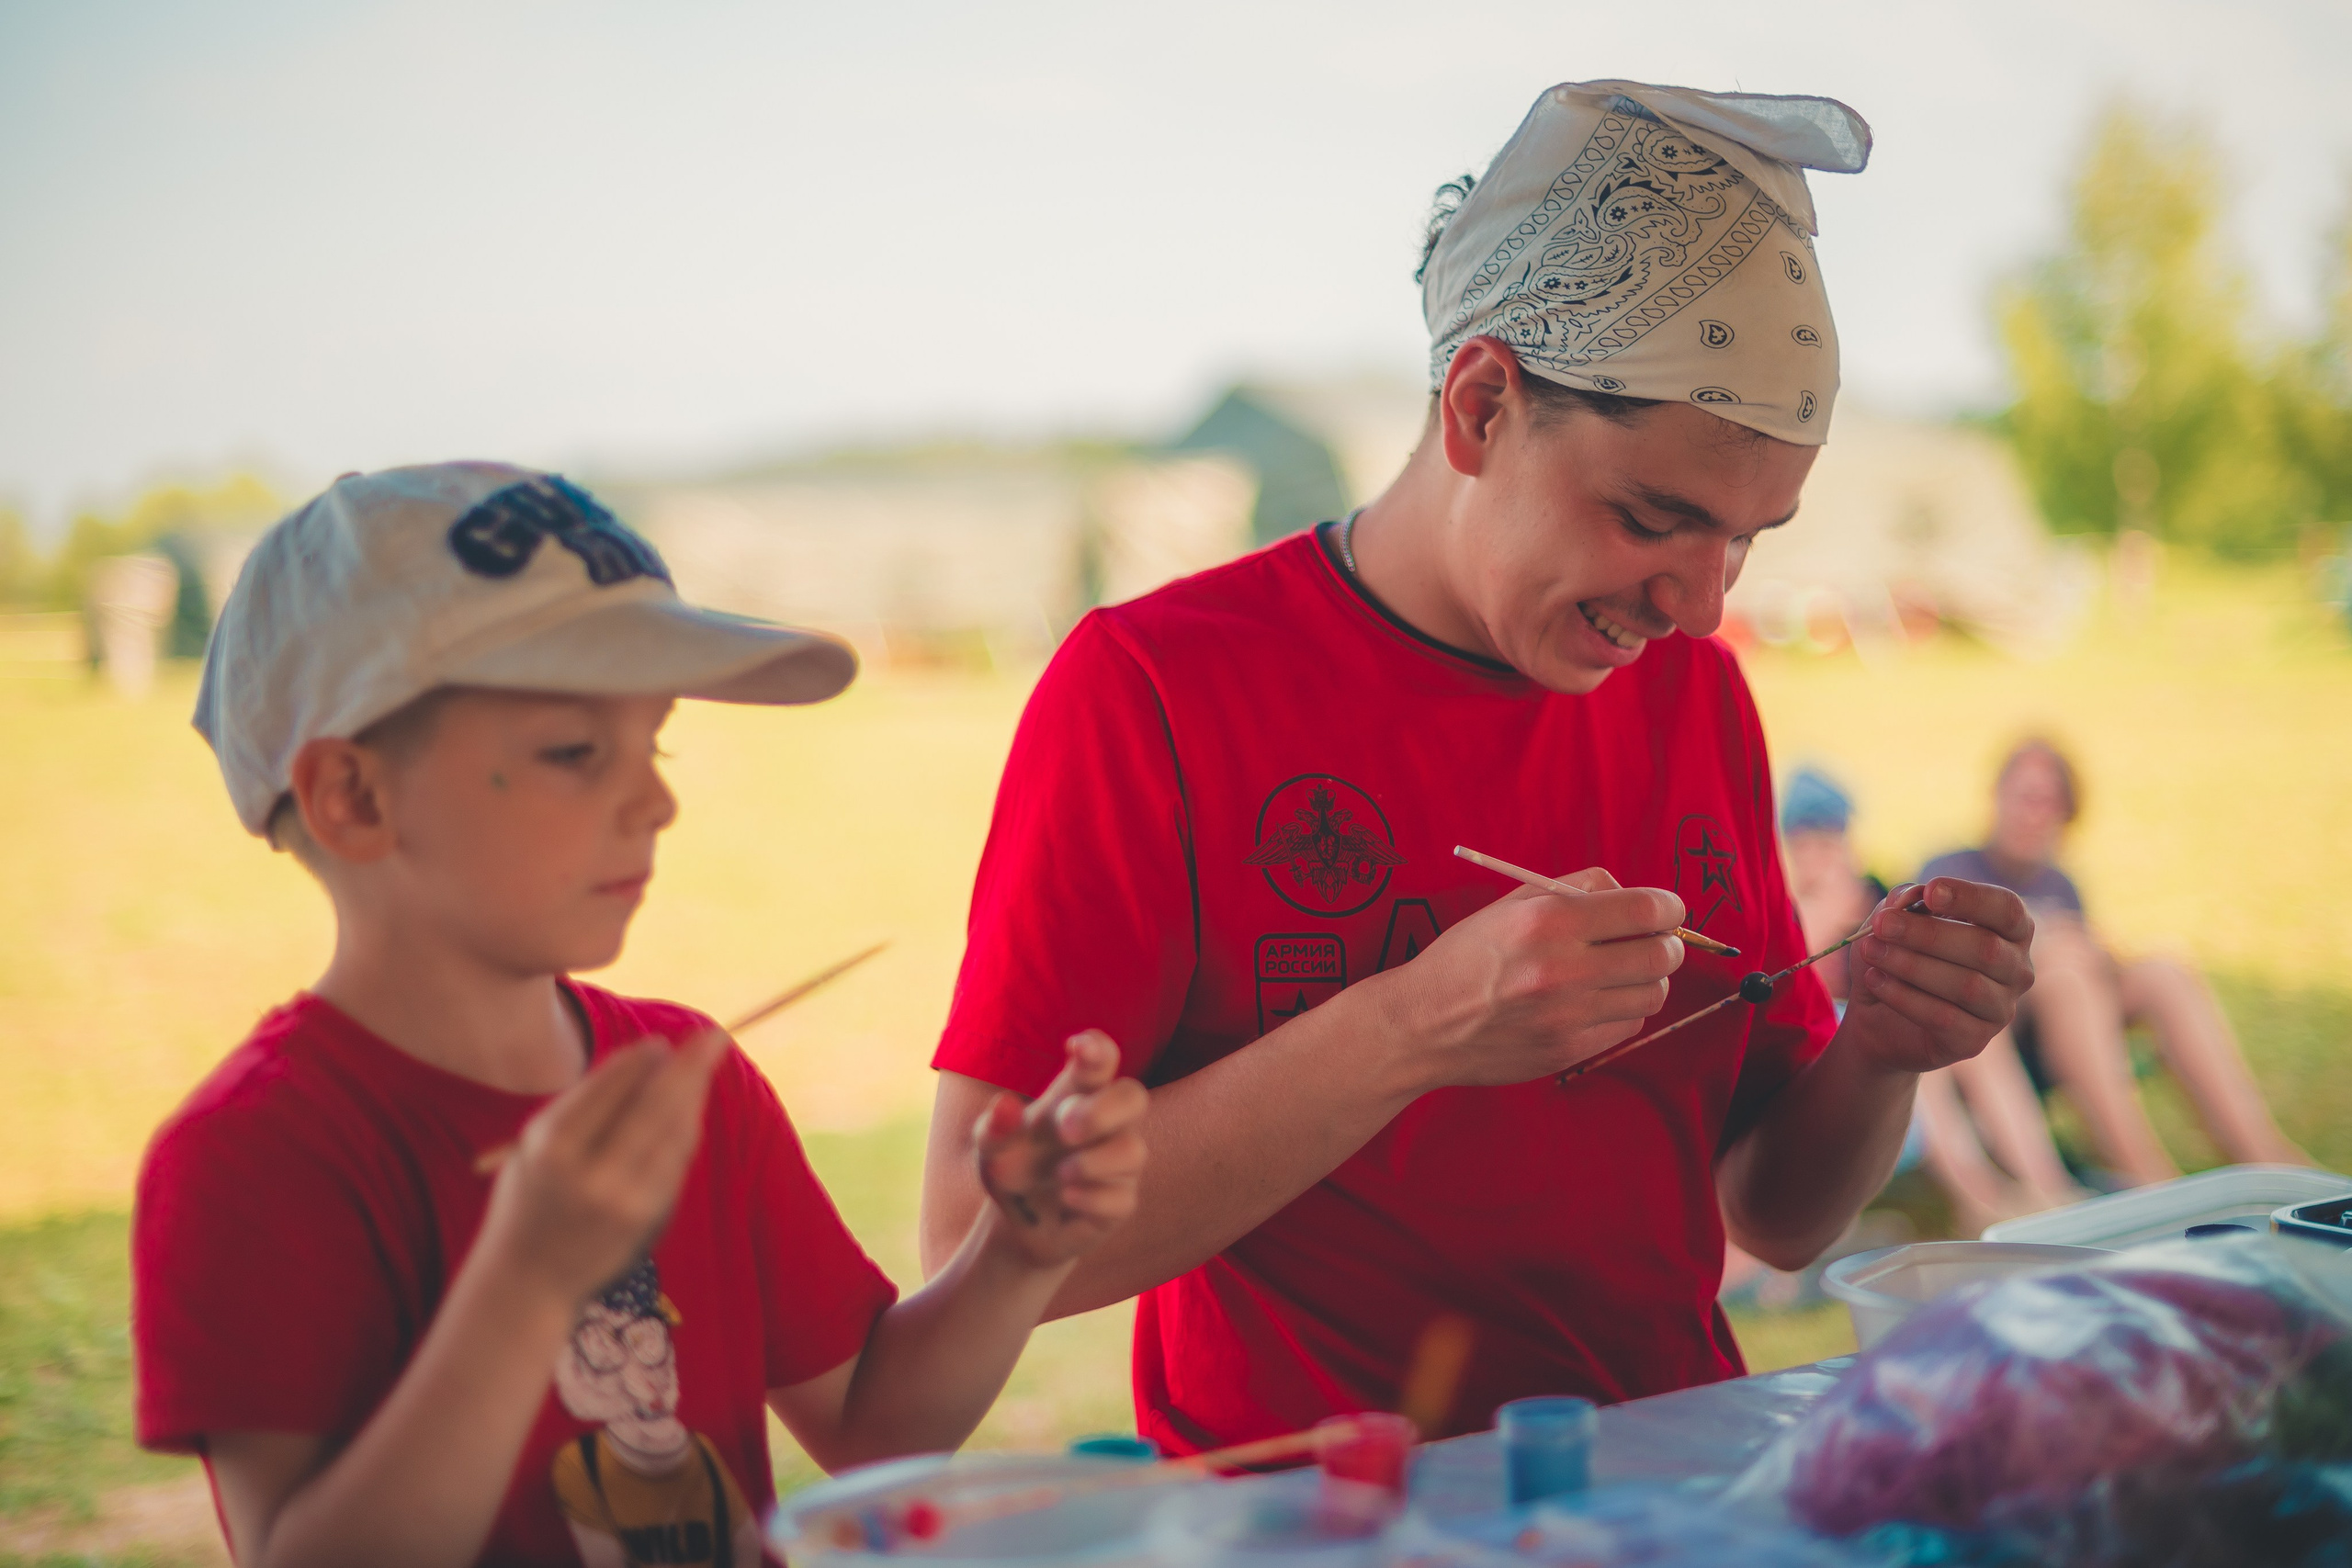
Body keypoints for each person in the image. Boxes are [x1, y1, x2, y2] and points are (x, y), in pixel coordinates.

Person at [919, 79, 2037, 1457]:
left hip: (1670, 1477)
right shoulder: (1157, 688)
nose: (1697, 605)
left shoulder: (1696, 692)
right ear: (1482, 402)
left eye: (1749, 541)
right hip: (1317, 1507)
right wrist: (1417, 1023)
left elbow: (1777, 1208)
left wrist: (1884, 1044)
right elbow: (972, 1239)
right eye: (1653, 518)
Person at [131, 465, 1149, 1568]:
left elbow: (874, 1423)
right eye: (576, 753)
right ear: (354, 797)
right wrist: (526, 1281)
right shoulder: (254, 1157)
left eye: (653, 742)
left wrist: (1013, 1254)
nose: (656, 801)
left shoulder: (684, 1076)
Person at [1921, 738, 2307, 1187]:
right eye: (2027, 798)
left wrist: (2092, 950)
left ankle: (2268, 1159)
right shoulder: (1951, 869)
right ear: (1998, 797)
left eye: (2053, 804)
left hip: (2066, 1034)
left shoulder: (2060, 883)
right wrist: (2050, 946)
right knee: (2064, 970)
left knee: (2164, 971)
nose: (2037, 814)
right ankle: (2147, 1177)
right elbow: (1945, 971)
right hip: (1992, 1042)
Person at [1781, 767, 2084, 1238]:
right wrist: (1819, 920)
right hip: (1832, 1044)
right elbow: (1788, 995)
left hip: (1888, 1016)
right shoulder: (1783, 907)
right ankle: (1978, 1199)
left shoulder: (1872, 890)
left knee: (1968, 1036)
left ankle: (2048, 1187)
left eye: (1833, 838)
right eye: (1809, 841)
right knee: (1917, 1046)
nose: (1823, 853)